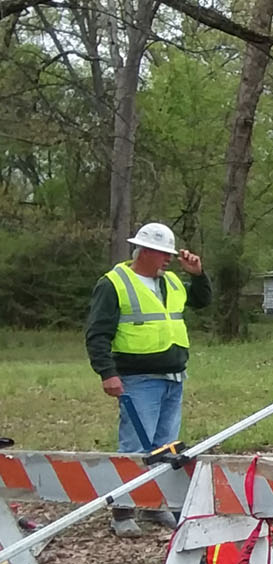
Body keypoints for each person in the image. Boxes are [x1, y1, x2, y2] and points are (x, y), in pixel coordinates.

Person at [85, 222, 210, 537]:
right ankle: (124, 511)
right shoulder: (114, 283)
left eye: (169, 254)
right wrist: (107, 372)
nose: (167, 260)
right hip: (138, 379)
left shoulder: (170, 283)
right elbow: (97, 333)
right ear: (144, 251)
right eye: (162, 254)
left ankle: (156, 505)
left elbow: (202, 301)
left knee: (165, 447)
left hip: (173, 376)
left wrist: (197, 275)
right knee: (135, 447)